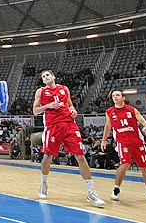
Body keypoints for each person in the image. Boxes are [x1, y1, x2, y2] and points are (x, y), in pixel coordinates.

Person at [33, 69, 105, 207]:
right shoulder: (40, 92)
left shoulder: (64, 89)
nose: (46, 77)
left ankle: (91, 191)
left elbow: (70, 104)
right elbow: (35, 111)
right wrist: (49, 106)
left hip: (69, 124)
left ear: (53, 76)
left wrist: (73, 110)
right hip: (53, 126)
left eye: (47, 74)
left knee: (80, 156)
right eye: (43, 76)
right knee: (48, 156)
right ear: (43, 81)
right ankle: (43, 184)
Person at [101, 90, 146, 202]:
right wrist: (104, 140)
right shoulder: (109, 112)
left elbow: (144, 121)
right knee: (125, 163)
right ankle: (116, 189)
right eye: (113, 96)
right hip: (123, 142)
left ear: (123, 97)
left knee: (144, 167)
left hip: (137, 142)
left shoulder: (132, 110)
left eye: (117, 95)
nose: (115, 97)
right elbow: (108, 127)